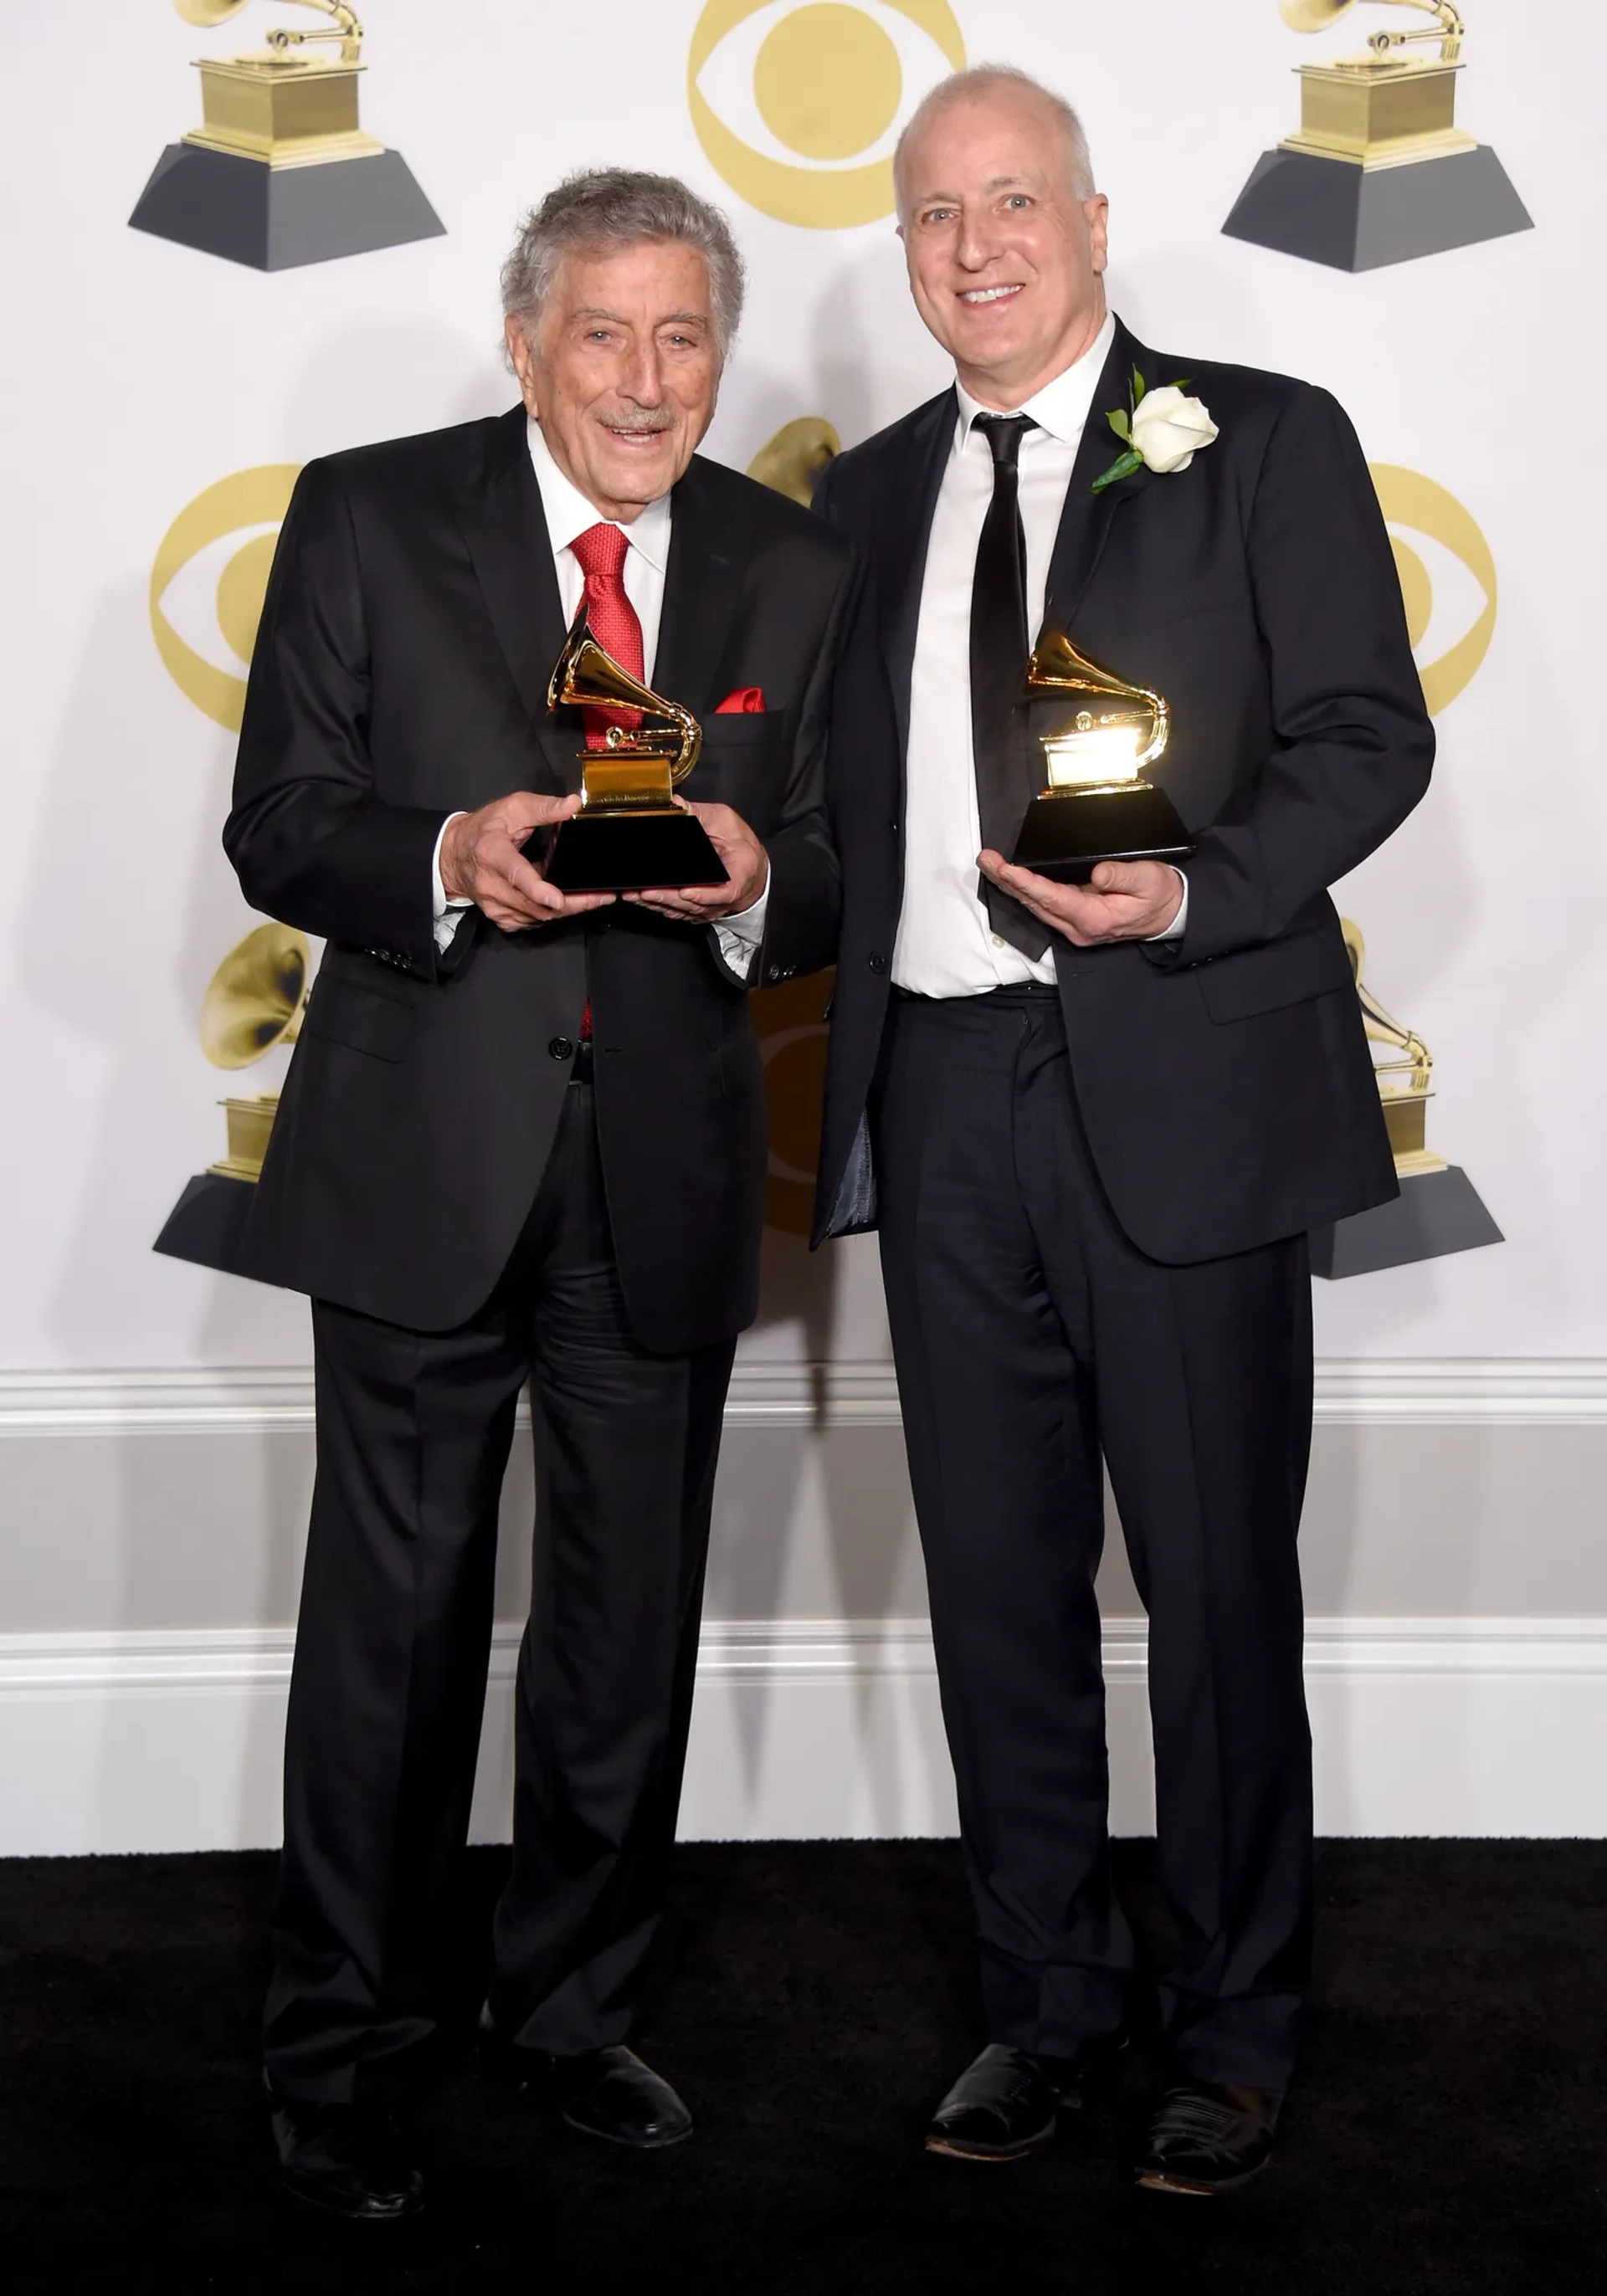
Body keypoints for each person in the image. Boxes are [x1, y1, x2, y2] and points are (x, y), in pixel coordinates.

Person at [813, 66, 1433, 2194]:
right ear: (900, 253)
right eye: (929, 216)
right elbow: (832, 813)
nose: (970, 247)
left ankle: (1237, 2023)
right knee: (994, 1588)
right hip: (944, 1089)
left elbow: (1369, 733)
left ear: (1089, 217)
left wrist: (1201, 885)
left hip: (1178, 1063)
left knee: (1213, 1587)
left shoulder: (1259, 435)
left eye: (1009, 202)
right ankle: (1045, 2006)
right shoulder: (864, 493)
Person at [224, 168, 862, 2220]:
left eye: (686, 338)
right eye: (606, 334)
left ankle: (570, 2012)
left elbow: (840, 853)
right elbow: (280, 820)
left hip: (661, 1173)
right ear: (526, 344)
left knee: (621, 1635)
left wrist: (766, 876)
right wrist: (443, 850)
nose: (648, 380)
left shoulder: (789, 559)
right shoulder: (364, 510)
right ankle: (343, 2046)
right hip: (426, 1157)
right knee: (392, 1638)